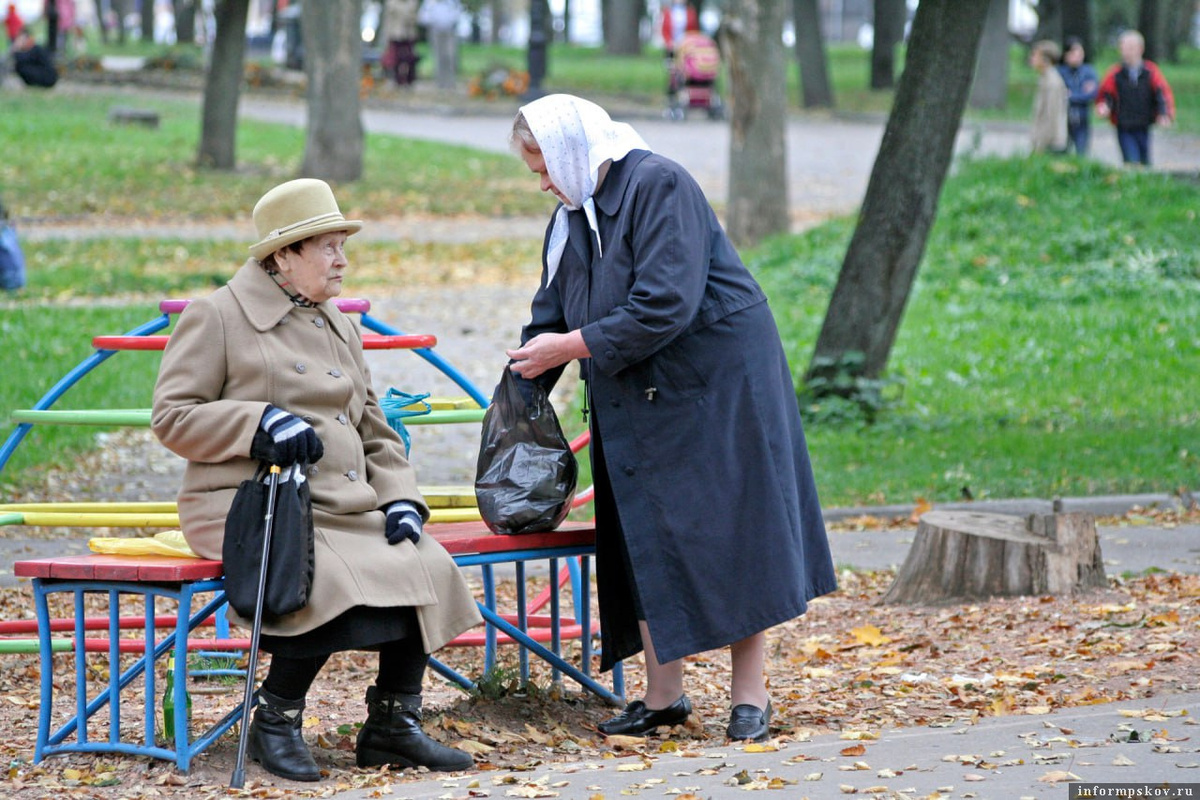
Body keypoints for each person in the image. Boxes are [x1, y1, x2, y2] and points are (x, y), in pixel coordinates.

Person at [503, 94, 837, 743]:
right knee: (642, 530)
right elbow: (550, 317)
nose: (542, 183)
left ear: (571, 151)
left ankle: (751, 696)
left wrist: (570, 347)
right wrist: (517, 391)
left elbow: (666, 302)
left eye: (543, 167)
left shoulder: (658, 184)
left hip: (715, 385)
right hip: (637, 387)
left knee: (730, 532)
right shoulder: (572, 217)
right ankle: (664, 698)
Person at [151, 179, 482, 782]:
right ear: (283, 255)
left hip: (342, 502)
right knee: (324, 576)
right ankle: (275, 720)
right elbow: (172, 417)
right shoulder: (218, 316)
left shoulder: (337, 323)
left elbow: (373, 424)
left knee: (423, 562)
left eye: (342, 246)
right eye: (328, 247)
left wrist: (401, 498)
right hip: (252, 503)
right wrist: (258, 422)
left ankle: (393, 726)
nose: (342, 260)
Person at [1096, 29, 1175, 166]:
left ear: (1140, 49)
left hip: (1143, 123)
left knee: (1145, 160)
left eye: (1130, 48)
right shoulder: (1115, 73)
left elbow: (1161, 93)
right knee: (1131, 160)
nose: (1126, 52)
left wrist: (1164, 114)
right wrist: (1104, 107)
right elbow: (1106, 94)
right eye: (1123, 48)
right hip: (1124, 124)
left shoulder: (1150, 71)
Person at [1058, 37, 1098, 156]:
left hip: (1082, 118)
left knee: (1082, 152)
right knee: (1061, 152)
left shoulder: (1088, 71)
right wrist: (1079, 93)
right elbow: (1060, 95)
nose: (1077, 56)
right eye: (1073, 53)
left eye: (1080, 53)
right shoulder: (1060, 72)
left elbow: (1091, 94)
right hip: (1064, 118)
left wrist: (1072, 95)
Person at [1028, 39, 1069, 154]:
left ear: (1045, 60)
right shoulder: (1044, 78)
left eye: (1035, 55)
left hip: (1050, 144)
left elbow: (1052, 115)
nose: (1032, 59)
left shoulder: (1052, 82)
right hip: (1043, 141)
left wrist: (1042, 144)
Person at [417, 0, 460, 90]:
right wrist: (433, 22)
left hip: (449, 31)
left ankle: (450, 81)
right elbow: (423, 17)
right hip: (435, 31)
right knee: (438, 56)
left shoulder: (452, 2)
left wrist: (450, 22)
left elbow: (457, 14)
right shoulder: (429, 2)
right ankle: (440, 82)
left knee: (450, 56)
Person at [380, 0, 420, 86]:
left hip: (408, 33)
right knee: (396, 58)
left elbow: (414, 18)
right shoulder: (392, 3)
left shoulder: (412, 2)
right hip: (395, 34)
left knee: (410, 57)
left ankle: (410, 79)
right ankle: (397, 79)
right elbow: (388, 20)